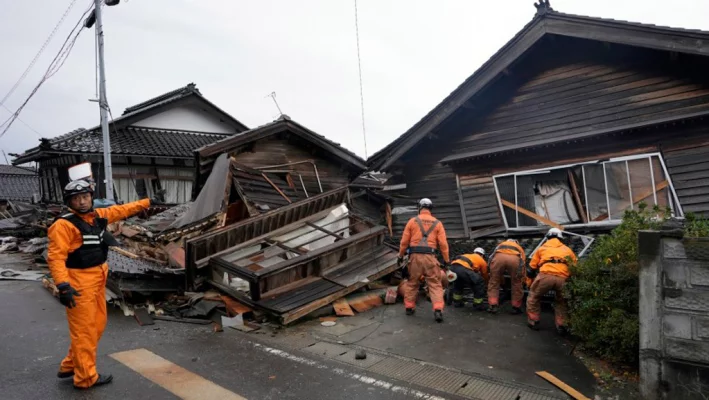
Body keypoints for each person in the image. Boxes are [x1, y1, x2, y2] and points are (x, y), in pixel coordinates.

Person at [48, 179, 161, 389]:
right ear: (69, 202)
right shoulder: (63, 225)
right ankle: (85, 378)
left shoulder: (97, 216)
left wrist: (147, 202)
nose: (82, 202)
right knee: (84, 331)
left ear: (91, 197)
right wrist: (63, 286)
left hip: (99, 279)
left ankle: (71, 365)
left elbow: (123, 209)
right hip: (79, 283)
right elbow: (55, 258)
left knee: (97, 326)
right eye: (76, 199)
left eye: (85, 197)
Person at [398, 198, 450, 322]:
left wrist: (400, 256)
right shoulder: (438, 223)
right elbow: (443, 245)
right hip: (430, 257)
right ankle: (438, 310)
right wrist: (447, 261)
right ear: (430, 208)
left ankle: (409, 308)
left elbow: (404, 242)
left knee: (412, 283)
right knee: (435, 284)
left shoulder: (412, 221)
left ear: (419, 207)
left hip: (414, 257)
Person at [526, 228, 577, 335]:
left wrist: (529, 282)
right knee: (562, 301)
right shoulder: (567, 250)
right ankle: (562, 325)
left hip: (545, 276)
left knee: (534, 297)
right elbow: (575, 268)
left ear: (548, 237)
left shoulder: (542, 248)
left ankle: (534, 321)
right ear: (560, 238)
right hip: (563, 278)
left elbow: (531, 269)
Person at [487, 239, 526, 315]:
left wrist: (490, 270)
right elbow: (523, 261)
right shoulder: (518, 247)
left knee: (494, 282)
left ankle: (493, 305)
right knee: (516, 283)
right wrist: (522, 276)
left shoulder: (501, 245)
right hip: (514, 259)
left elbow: (491, 257)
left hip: (499, 258)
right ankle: (516, 307)